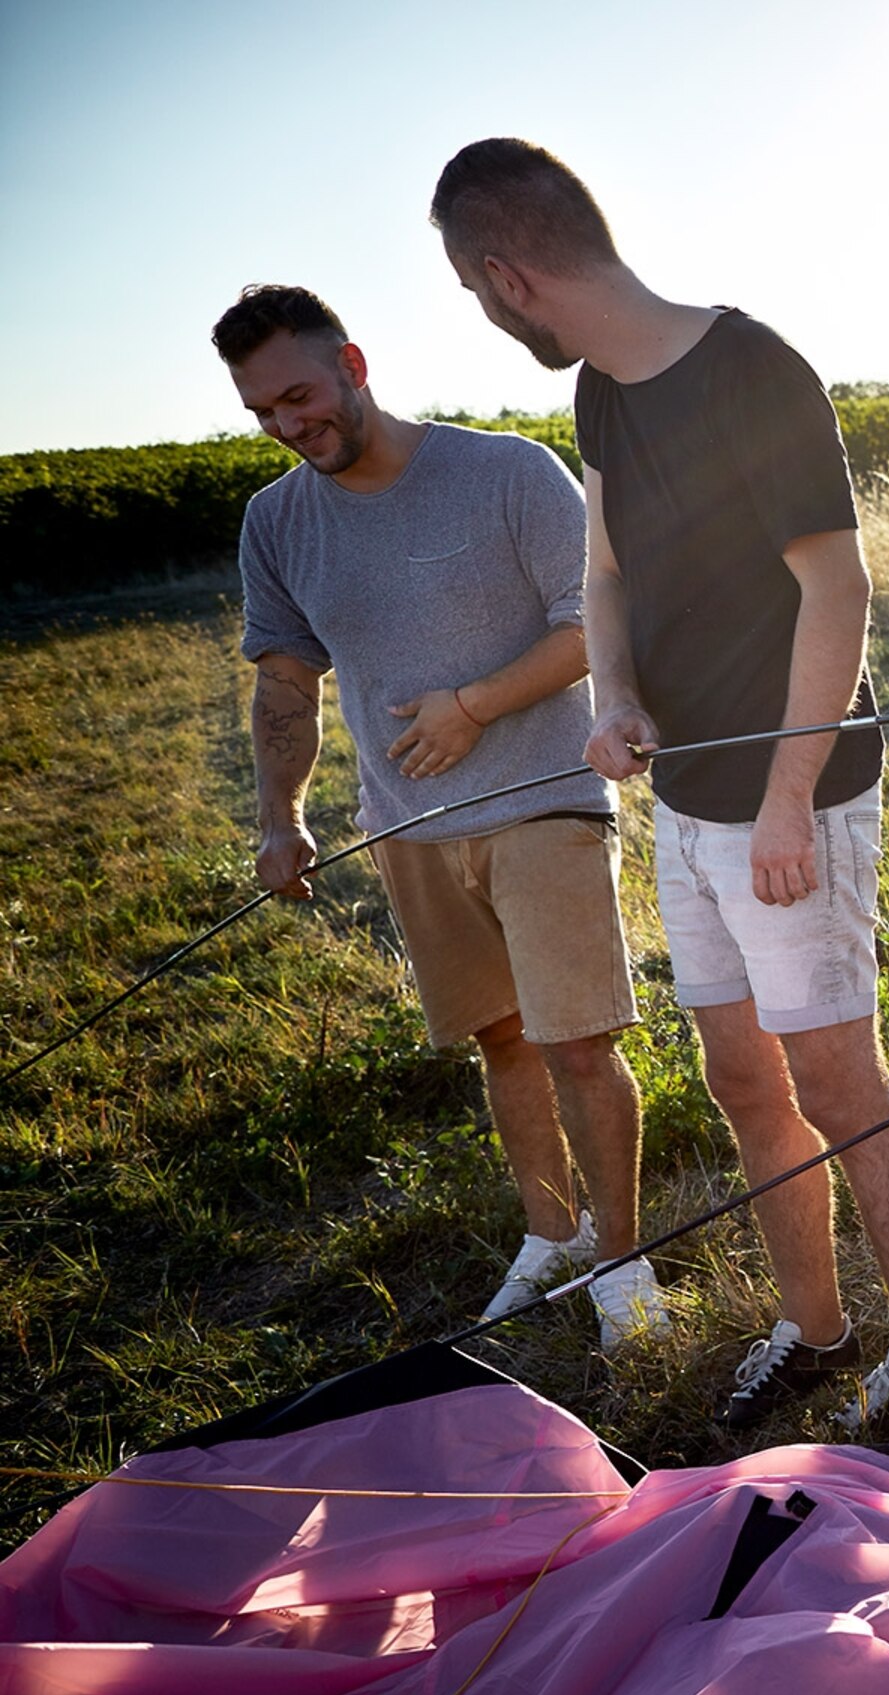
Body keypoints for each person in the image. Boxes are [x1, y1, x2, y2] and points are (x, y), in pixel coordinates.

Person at [428, 138, 889, 1437]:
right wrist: (612, 694)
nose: (484, 313)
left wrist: (787, 799)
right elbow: (605, 575)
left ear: (507, 275)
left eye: (472, 290)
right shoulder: (605, 396)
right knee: (741, 1078)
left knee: (842, 1085)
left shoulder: (752, 369)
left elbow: (840, 589)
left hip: (797, 795)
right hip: (685, 802)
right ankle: (817, 1330)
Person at [218, 284, 665, 1352]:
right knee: (500, 1043)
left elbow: (595, 626)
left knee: (578, 1043)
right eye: (261, 412)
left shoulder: (506, 471)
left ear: (353, 364)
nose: (288, 424)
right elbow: (285, 684)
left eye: (297, 394)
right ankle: (550, 1235)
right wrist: (280, 817)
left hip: (544, 798)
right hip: (409, 824)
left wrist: (473, 706)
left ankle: (622, 1259)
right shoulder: (276, 522)